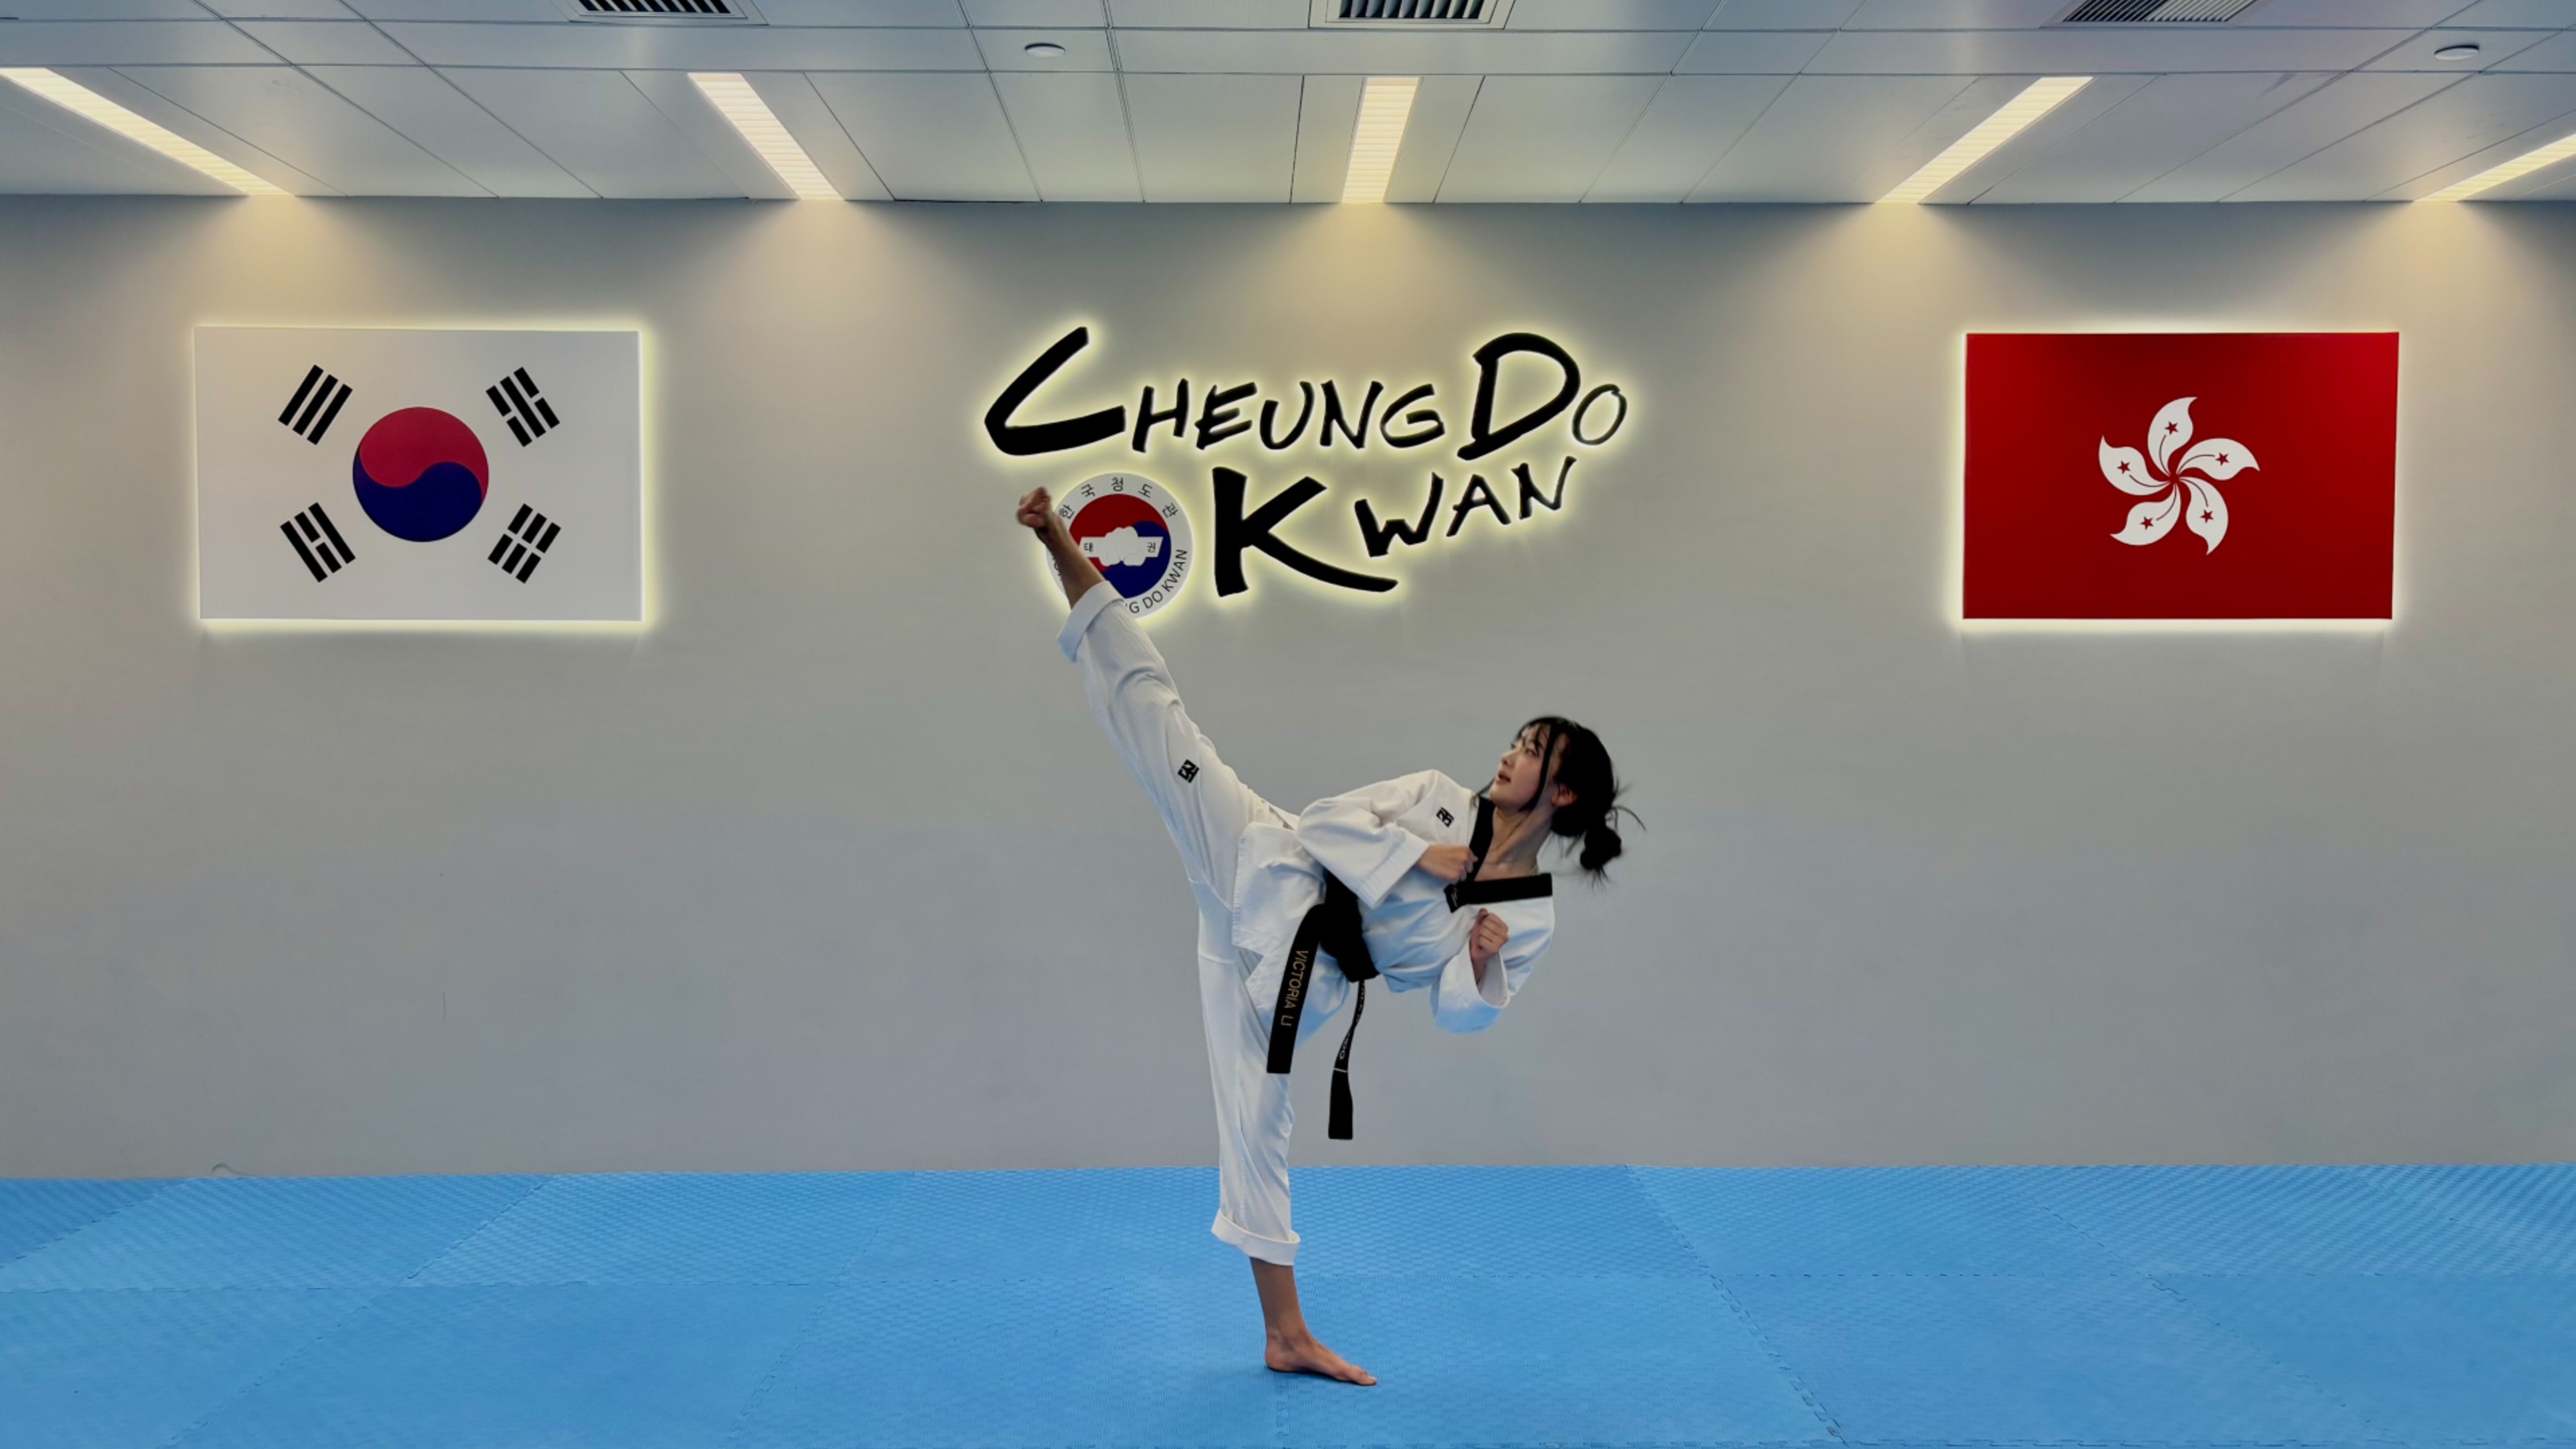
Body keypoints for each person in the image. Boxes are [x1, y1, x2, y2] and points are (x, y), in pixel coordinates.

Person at [1015, 485, 1629, 1385]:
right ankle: (1061, 546)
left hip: (1303, 979)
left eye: (1529, 751)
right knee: (1161, 720)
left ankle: (1285, 1336)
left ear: (1561, 794)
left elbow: (1457, 1017)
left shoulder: (1529, 915)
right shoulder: (1433, 797)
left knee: (1258, 1124)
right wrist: (1423, 859)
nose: (1506, 755)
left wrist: (1479, 966)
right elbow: (1329, 822)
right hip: (1266, 862)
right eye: (1513, 741)